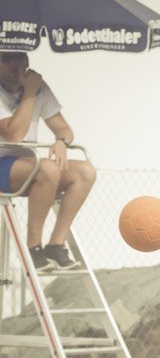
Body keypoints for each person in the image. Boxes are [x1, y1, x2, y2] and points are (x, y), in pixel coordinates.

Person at [0, 51, 95, 271]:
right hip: (4, 163)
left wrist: (61, 141)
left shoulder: (38, 89)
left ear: (27, 60)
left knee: (85, 172)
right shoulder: (32, 89)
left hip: (26, 165)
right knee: (48, 169)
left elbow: (64, 129)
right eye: (6, 60)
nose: (15, 65)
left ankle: (56, 244)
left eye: (19, 58)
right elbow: (14, 134)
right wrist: (30, 92)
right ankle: (33, 248)